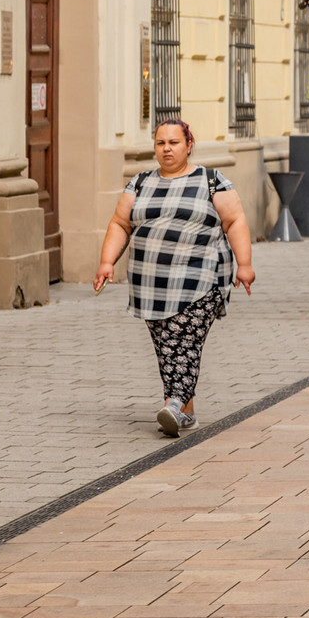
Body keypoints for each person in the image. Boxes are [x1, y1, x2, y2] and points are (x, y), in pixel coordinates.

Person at [94, 119, 255, 437]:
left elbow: (234, 220)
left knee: (187, 343)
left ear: (189, 145)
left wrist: (245, 265)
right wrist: (106, 262)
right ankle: (185, 414)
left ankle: (175, 402)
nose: (166, 149)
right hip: (151, 286)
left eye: (174, 142)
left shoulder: (211, 180)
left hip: (202, 279)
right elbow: (120, 224)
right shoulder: (140, 182)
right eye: (160, 143)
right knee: (167, 348)